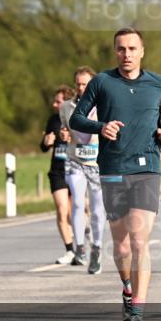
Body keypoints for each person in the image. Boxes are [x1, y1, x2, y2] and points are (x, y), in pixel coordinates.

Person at [70, 28, 161, 321]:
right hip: (112, 168)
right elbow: (76, 119)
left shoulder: (158, 83)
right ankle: (128, 288)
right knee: (120, 245)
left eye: (132, 48)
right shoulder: (102, 82)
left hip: (147, 167)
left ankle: (137, 312)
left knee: (138, 239)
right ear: (115, 51)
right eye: (121, 49)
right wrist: (101, 126)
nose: (127, 54)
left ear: (142, 51)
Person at [60, 67, 107, 273]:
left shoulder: (104, 104)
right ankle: (79, 247)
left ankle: (96, 248)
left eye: (85, 84)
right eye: (78, 84)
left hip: (98, 162)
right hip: (74, 161)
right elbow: (64, 129)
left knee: (97, 209)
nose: (81, 87)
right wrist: (63, 134)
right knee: (77, 202)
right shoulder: (66, 107)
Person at [41, 85, 76, 263]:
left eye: (59, 101)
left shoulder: (77, 118)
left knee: (74, 212)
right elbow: (43, 146)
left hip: (76, 169)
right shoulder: (53, 120)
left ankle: (85, 242)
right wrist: (47, 142)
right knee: (62, 210)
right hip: (57, 171)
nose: (55, 104)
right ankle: (70, 250)